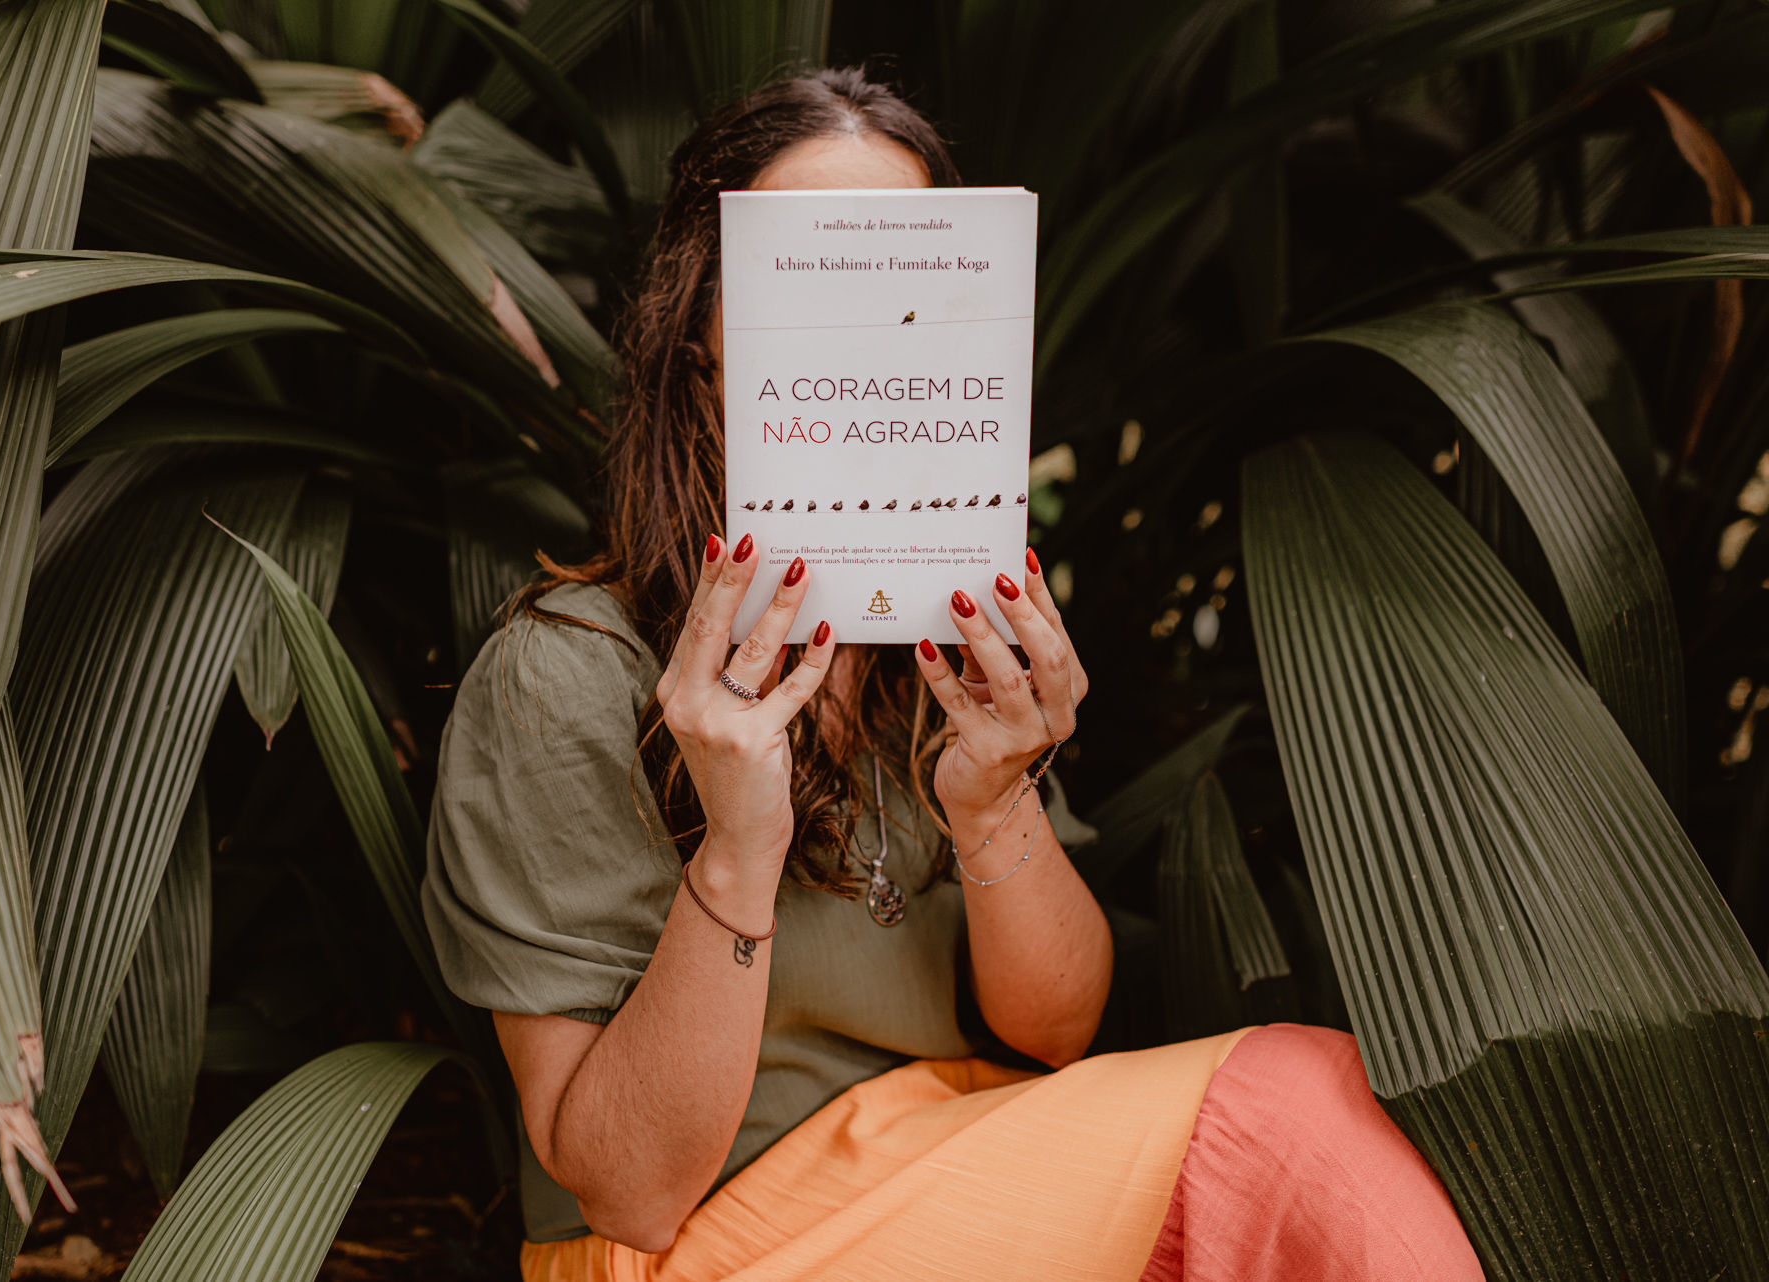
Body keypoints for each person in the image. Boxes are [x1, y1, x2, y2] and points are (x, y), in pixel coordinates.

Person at [421, 67, 1483, 1282]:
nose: (869, 325)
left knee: (1298, 1126)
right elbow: (630, 1192)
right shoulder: (564, 669)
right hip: (710, 1241)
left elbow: (1055, 1030)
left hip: (975, 1165)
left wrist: (996, 795)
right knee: (1288, 1114)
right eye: (816, 268)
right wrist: (735, 845)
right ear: (701, 336)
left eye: (910, 271)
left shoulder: (937, 639)